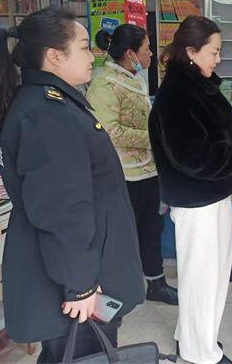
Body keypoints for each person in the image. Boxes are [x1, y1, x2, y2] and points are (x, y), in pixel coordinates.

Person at [0, 8, 144, 363]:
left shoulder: (53, 103)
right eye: (83, 47)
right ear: (54, 55)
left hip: (78, 269)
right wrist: (80, 286)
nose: (92, 56)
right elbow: (62, 210)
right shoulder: (47, 114)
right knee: (82, 354)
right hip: (77, 280)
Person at [148, 16, 232, 364]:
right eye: (214, 52)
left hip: (212, 194)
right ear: (191, 51)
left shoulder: (198, 86)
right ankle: (200, 353)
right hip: (197, 201)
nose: (218, 59)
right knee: (202, 278)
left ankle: (193, 336)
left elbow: (213, 134)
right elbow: (191, 156)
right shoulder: (177, 93)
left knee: (212, 273)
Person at [86, 24, 178, 306]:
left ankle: (156, 283)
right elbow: (109, 132)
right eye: (146, 49)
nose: (151, 54)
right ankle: (117, 290)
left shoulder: (133, 78)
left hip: (147, 170)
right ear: (130, 53)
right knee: (123, 235)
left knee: (152, 229)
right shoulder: (104, 84)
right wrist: (154, 138)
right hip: (122, 174)